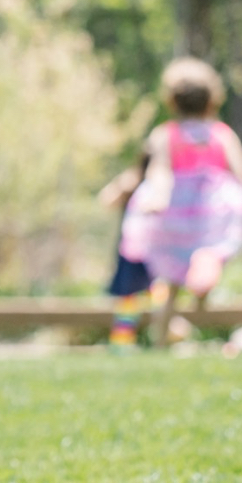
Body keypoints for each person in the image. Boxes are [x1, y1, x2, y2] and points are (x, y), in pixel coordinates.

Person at [131, 58, 242, 348]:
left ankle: (161, 341)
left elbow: (159, 171)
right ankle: (204, 277)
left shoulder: (165, 134)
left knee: (170, 286)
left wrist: (158, 198)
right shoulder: (221, 134)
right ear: (213, 100)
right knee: (208, 256)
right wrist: (240, 196)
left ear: (172, 101)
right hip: (211, 217)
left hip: (177, 216)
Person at [98, 146, 153, 351]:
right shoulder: (134, 181)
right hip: (131, 251)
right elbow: (106, 199)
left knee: (157, 296)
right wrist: (126, 183)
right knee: (128, 300)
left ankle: (163, 338)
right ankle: (122, 344)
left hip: (156, 252)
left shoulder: (167, 183)